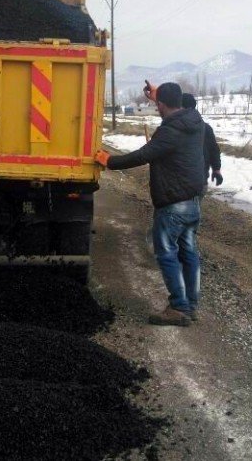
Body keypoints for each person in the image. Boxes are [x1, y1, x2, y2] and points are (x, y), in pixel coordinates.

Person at [94, 82, 207, 326]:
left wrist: (109, 161)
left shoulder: (170, 131)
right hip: (193, 203)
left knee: (166, 251)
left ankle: (178, 307)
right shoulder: (195, 122)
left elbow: (143, 155)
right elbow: (175, 101)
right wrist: (159, 97)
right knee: (188, 252)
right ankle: (191, 304)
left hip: (173, 204)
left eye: (158, 104)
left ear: (162, 105)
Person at [182, 93, 223, 186]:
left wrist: (216, 169)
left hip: (185, 182)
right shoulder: (205, 126)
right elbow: (214, 150)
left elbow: (213, 149)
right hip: (201, 179)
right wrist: (217, 170)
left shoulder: (178, 128)